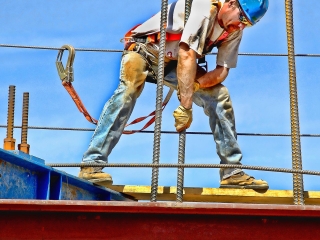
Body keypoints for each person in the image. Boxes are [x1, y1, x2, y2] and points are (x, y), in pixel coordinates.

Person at [78, 0, 270, 190]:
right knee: (128, 91)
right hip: (146, 50)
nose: (240, 26)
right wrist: (186, 107)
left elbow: (222, 72)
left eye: (246, 24)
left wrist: (195, 85)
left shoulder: (234, 30)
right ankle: (92, 164)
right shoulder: (205, 8)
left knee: (220, 96)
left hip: (175, 64)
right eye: (241, 19)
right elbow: (186, 53)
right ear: (230, 4)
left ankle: (232, 172)